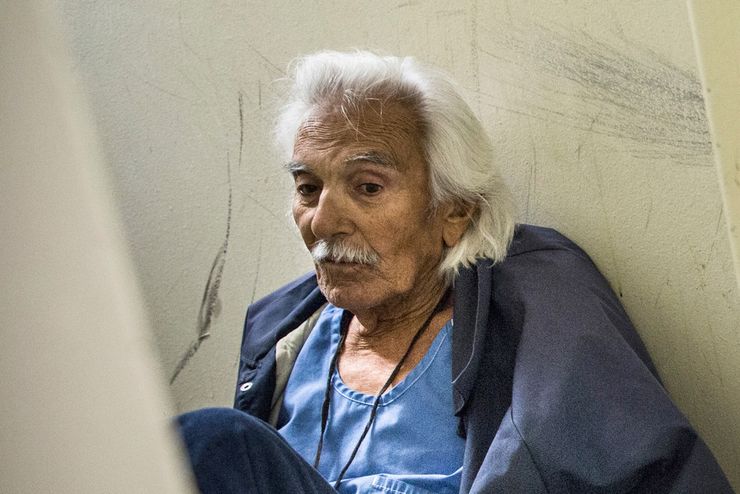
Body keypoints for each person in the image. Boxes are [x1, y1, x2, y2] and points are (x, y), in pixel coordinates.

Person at [177, 51, 733, 493]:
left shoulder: (538, 312)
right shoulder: (285, 340)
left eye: (368, 188)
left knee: (212, 441)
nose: (323, 221)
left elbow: (655, 476)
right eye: (307, 189)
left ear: (455, 209)